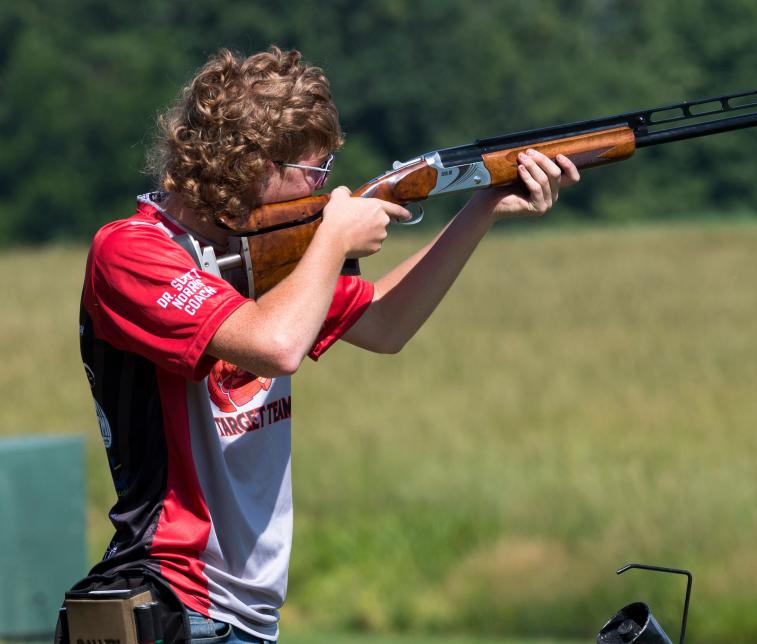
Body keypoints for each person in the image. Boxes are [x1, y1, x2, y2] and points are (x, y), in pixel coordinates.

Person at [75, 45, 578, 643]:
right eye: (316, 170)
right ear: (254, 163)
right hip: (176, 599)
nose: (326, 184)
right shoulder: (132, 251)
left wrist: (483, 207)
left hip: (246, 616)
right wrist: (334, 239)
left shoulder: (274, 259)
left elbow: (386, 325)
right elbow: (275, 345)